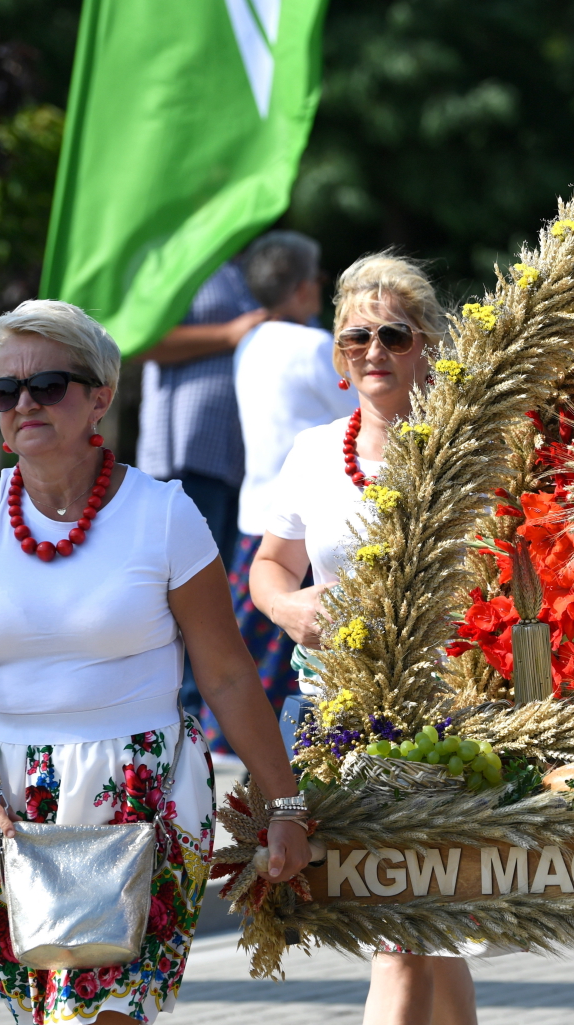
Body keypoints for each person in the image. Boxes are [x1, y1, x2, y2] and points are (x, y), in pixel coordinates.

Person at [0, 300, 310, 1025]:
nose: (23, 404)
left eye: (46, 384)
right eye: (4, 392)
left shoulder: (164, 514)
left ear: (101, 396)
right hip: (9, 811)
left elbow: (229, 677)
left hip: (145, 801)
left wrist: (285, 804)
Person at [249, 252, 485, 1025]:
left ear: (427, 345)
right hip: (338, 717)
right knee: (419, 923)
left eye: (393, 334)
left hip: (443, 719)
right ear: (340, 358)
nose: (374, 351)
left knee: (404, 925)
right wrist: (288, 604)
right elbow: (269, 564)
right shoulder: (316, 451)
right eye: (356, 338)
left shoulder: (464, 450)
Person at [207, 231, 356, 756]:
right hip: (311, 520)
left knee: (250, 651)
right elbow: (362, 416)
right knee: (300, 650)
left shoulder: (251, 341)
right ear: (299, 288)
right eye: (316, 279)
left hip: (256, 511)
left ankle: (244, 750)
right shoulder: (317, 347)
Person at [137, 258, 266, 569]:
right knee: (181, 581)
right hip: (185, 458)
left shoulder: (239, 268)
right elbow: (144, 343)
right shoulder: (176, 261)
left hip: (237, 459)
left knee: (217, 587)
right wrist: (228, 335)